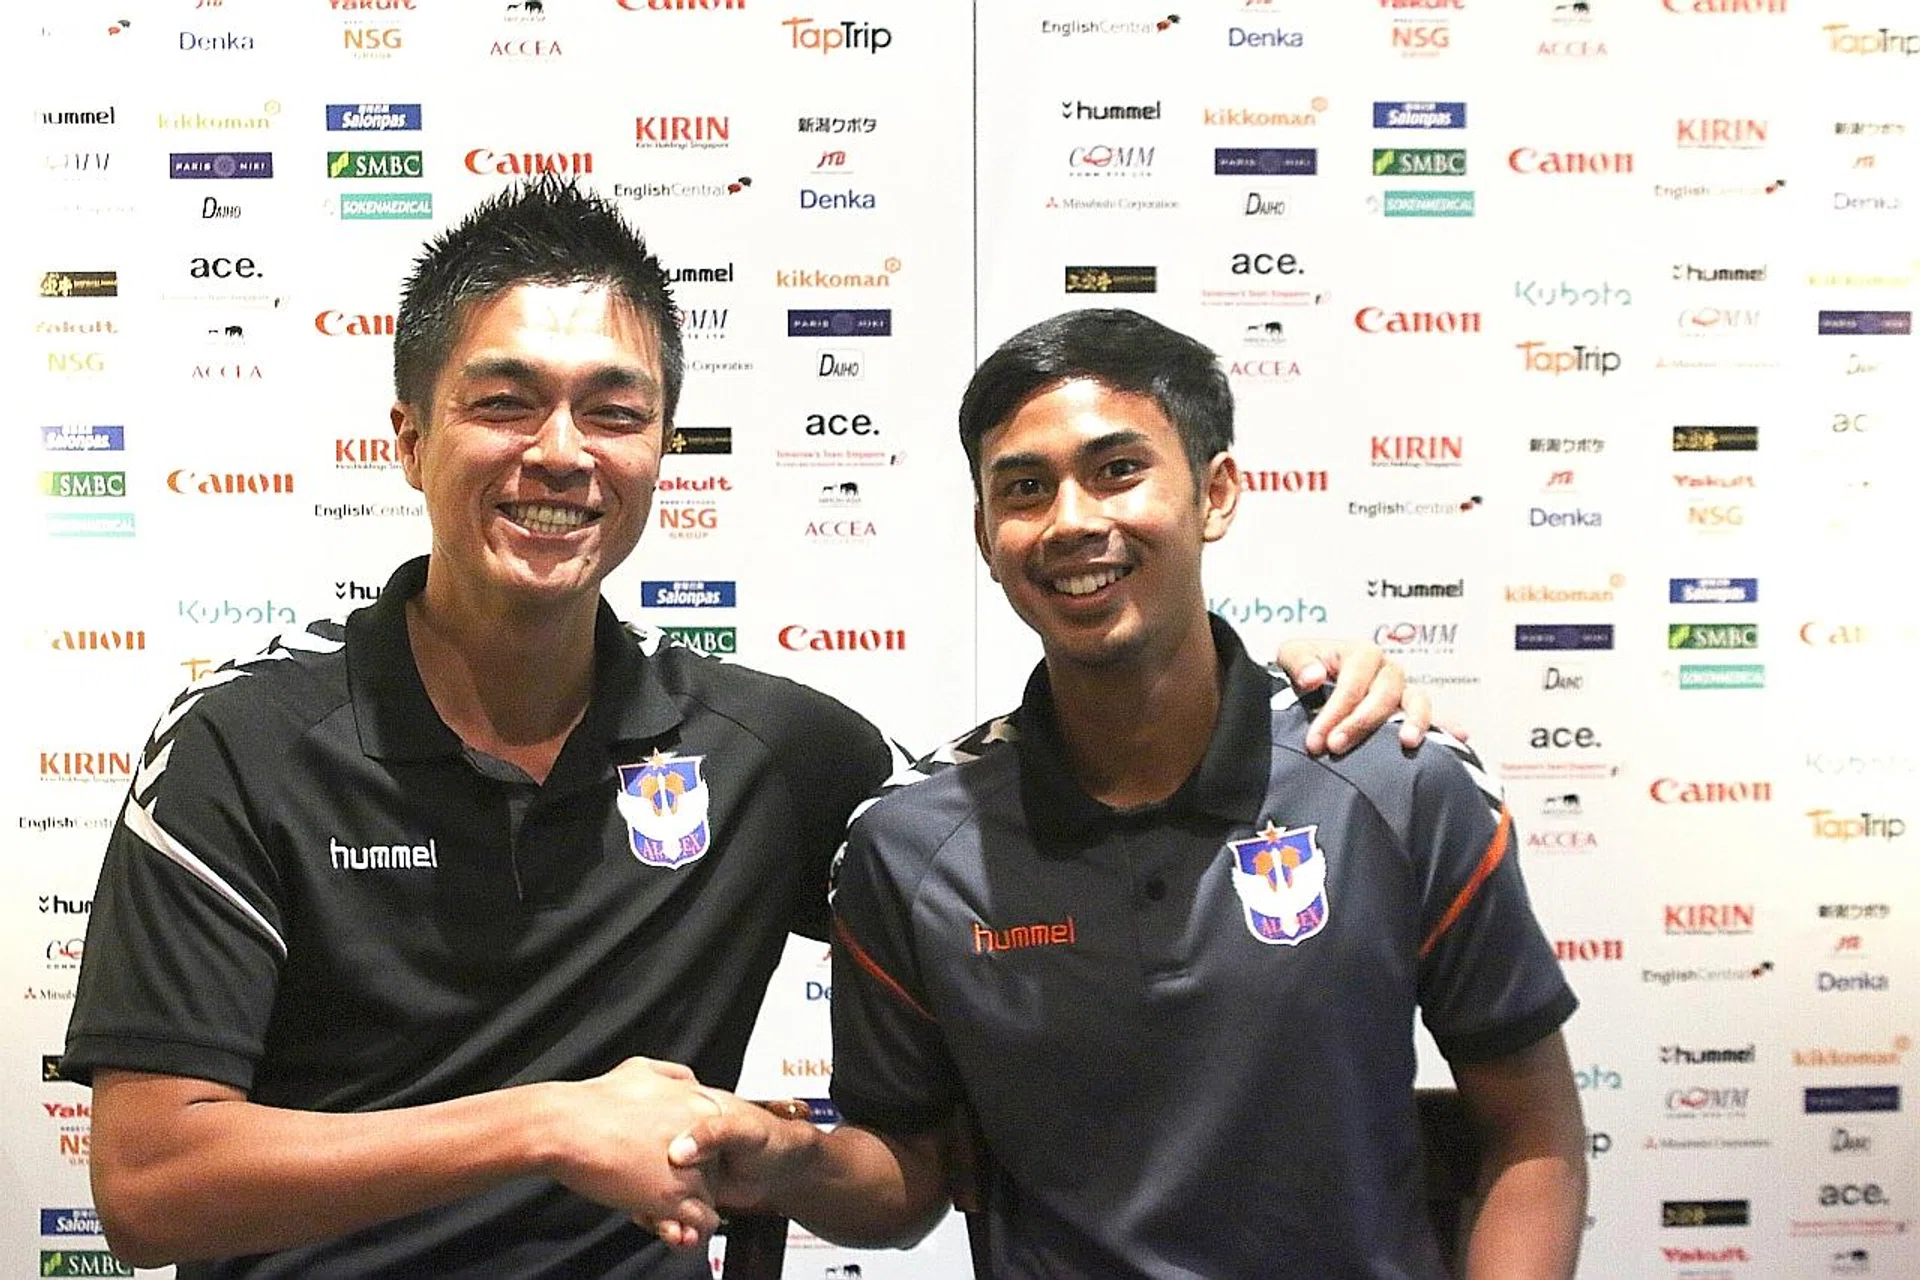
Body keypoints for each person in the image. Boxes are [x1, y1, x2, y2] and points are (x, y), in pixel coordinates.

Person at [63, 184, 1431, 1278]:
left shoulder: (776, 753)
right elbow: (151, 1186)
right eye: (503, 401)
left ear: (662, 448)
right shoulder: (244, 743)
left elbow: (1026, 844)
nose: (560, 450)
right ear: (410, 438)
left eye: (614, 409)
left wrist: (1274, 688)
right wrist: (547, 1122)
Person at [669, 308, 1588, 1278]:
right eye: (1025, 487)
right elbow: (911, 1172)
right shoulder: (911, 843)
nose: (1072, 520)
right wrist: (782, 1155)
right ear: (987, 534)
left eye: (1117, 469)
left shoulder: (1396, 778)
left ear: (1217, 491)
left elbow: (1535, 1137)